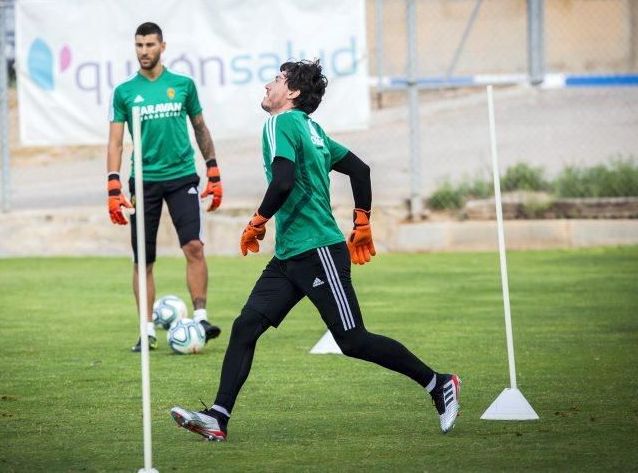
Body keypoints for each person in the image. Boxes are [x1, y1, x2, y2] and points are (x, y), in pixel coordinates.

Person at [170, 59, 460, 441]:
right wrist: (362, 221)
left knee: (353, 340)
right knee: (245, 327)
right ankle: (218, 418)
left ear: (291, 93)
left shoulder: (279, 123)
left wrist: (257, 221)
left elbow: (284, 180)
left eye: (275, 80)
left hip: (318, 249)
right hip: (291, 255)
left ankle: (438, 383)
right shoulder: (313, 129)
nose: (267, 86)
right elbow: (361, 170)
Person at [107, 21, 222, 352]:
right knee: (143, 259)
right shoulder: (125, 92)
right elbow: (115, 142)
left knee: (194, 247)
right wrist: (113, 184)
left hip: (182, 176)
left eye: (150, 45)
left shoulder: (183, 85)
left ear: (163, 46)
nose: (144, 51)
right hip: (143, 182)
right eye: (139, 45)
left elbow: (200, 127)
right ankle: (147, 331)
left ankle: (200, 317)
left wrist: (212, 169)